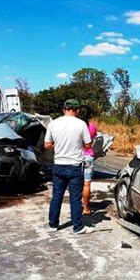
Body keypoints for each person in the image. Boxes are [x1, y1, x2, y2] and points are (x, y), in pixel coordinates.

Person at [44, 99, 93, 234]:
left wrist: (58, 145)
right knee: (75, 198)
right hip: (75, 166)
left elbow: (47, 145)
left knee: (57, 197)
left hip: (59, 165)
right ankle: (78, 227)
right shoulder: (81, 124)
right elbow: (88, 145)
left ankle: (53, 225)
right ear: (77, 110)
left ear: (63, 109)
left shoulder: (53, 124)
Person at [78, 105, 98, 215]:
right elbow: (91, 140)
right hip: (88, 156)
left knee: (76, 183)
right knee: (87, 185)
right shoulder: (92, 127)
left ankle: (77, 207)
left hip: (76, 156)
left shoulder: (74, 126)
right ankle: (86, 208)